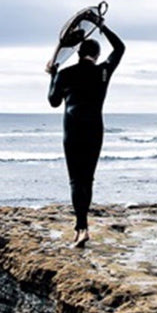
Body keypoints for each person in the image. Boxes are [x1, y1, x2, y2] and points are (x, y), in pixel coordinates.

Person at [46, 18, 125, 247]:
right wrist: (101, 26)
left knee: (75, 180)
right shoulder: (103, 71)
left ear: (78, 53)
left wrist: (53, 74)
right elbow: (120, 48)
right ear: (97, 55)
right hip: (94, 129)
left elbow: (53, 101)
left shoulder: (66, 74)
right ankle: (82, 228)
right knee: (87, 179)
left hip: (72, 129)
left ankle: (81, 227)